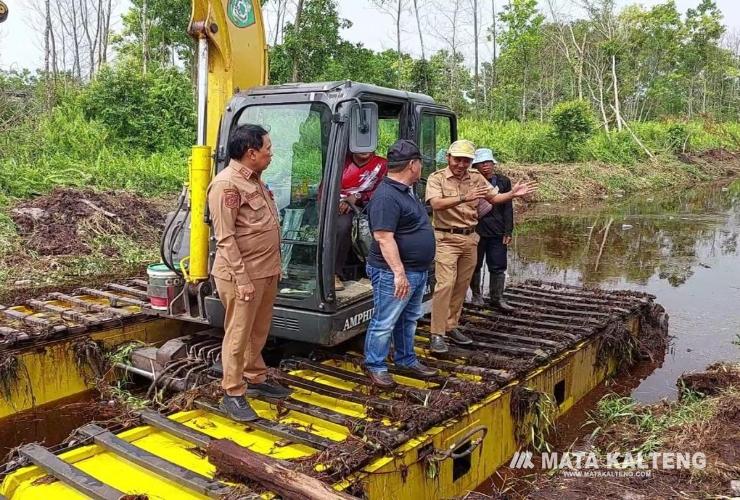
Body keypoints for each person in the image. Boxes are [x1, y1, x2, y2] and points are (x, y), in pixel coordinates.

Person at [208, 124, 292, 422]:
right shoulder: (226, 185)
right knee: (238, 333)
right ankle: (232, 392)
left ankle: (255, 378)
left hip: (265, 271)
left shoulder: (254, 180)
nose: (271, 154)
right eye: (267, 149)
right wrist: (242, 279)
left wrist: (274, 268)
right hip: (240, 275)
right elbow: (226, 238)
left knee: (258, 330)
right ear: (251, 153)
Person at [425, 140, 537, 354]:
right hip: (446, 238)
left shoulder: (476, 178)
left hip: (470, 238)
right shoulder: (437, 178)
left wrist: (512, 194)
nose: (461, 164)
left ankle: (451, 326)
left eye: (466, 161)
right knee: (445, 285)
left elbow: (494, 198)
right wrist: (463, 197)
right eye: (457, 159)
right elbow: (435, 204)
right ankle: (437, 334)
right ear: (449, 157)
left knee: (460, 285)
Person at [363, 140, 438, 388]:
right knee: (385, 321)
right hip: (393, 272)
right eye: (420, 163)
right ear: (412, 165)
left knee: (408, 319)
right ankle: (375, 365)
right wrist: (399, 273)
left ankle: (406, 359)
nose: (421, 167)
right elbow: (384, 237)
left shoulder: (406, 191)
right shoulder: (386, 196)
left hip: (416, 270)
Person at [335, 149, 388, 291]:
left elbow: (385, 188)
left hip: (370, 204)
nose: (364, 150)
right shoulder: (340, 163)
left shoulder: (382, 165)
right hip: (341, 206)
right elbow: (325, 188)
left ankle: (380, 270)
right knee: (342, 226)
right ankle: (333, 273)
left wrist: (358, 198)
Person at [469, 148, 515, 311]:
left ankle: (497, 297)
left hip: (497, 230)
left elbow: (508, 207)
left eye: (488, 162)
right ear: (475, 165)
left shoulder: (503, 181)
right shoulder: (470, 182)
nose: (486, 166)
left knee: (498, 265)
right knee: (474, 264)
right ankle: (476, 296)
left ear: (493, 164)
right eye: (481, 163)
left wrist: (508, 231)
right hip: (476, 230)